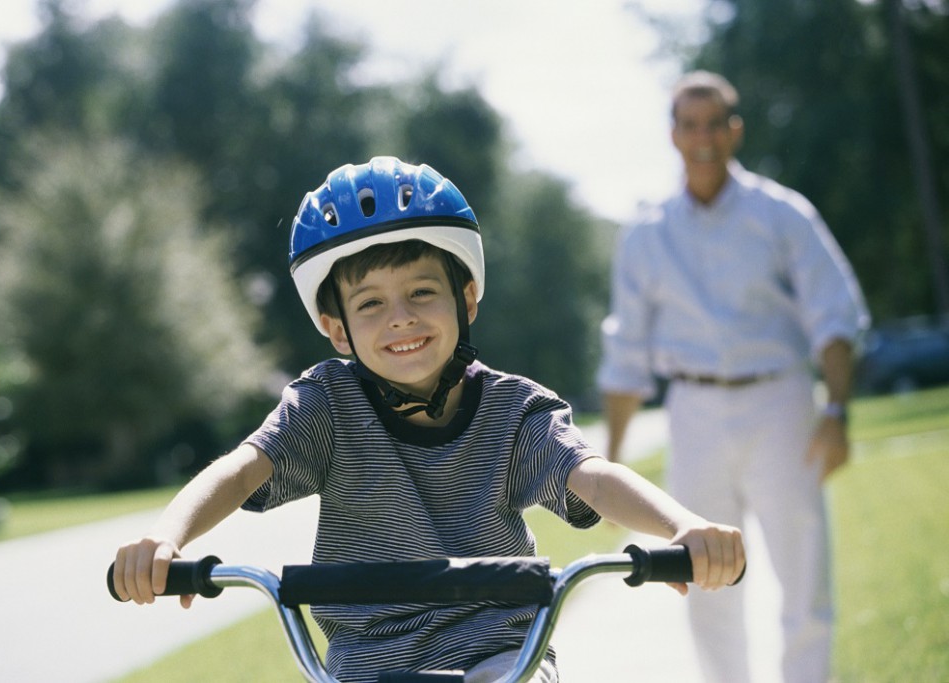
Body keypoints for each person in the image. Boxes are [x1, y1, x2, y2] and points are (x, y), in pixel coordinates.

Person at [113, 156, 746, 683]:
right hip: (364, 666)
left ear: (466, 298)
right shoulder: (326, 405)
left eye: (422, 292)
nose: (400, 318)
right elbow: (243, 467)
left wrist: (681, 526)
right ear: (336, 329)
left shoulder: (516, 412)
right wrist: (169, 538)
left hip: (499, 655)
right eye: (370, 304)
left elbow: (593, 477)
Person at [597, 72, 870, 683]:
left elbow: (834, 315)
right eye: (690, 124)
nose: (703, 138)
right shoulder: (646, 236)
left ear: (734, 130)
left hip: (781, 401)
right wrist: (612, 462)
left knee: (803, 574)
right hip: (692, 410)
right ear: (673, 135)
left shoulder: (781, 214)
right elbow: (626, 353)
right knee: (702, 570)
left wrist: (837, 412)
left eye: (715, 123)